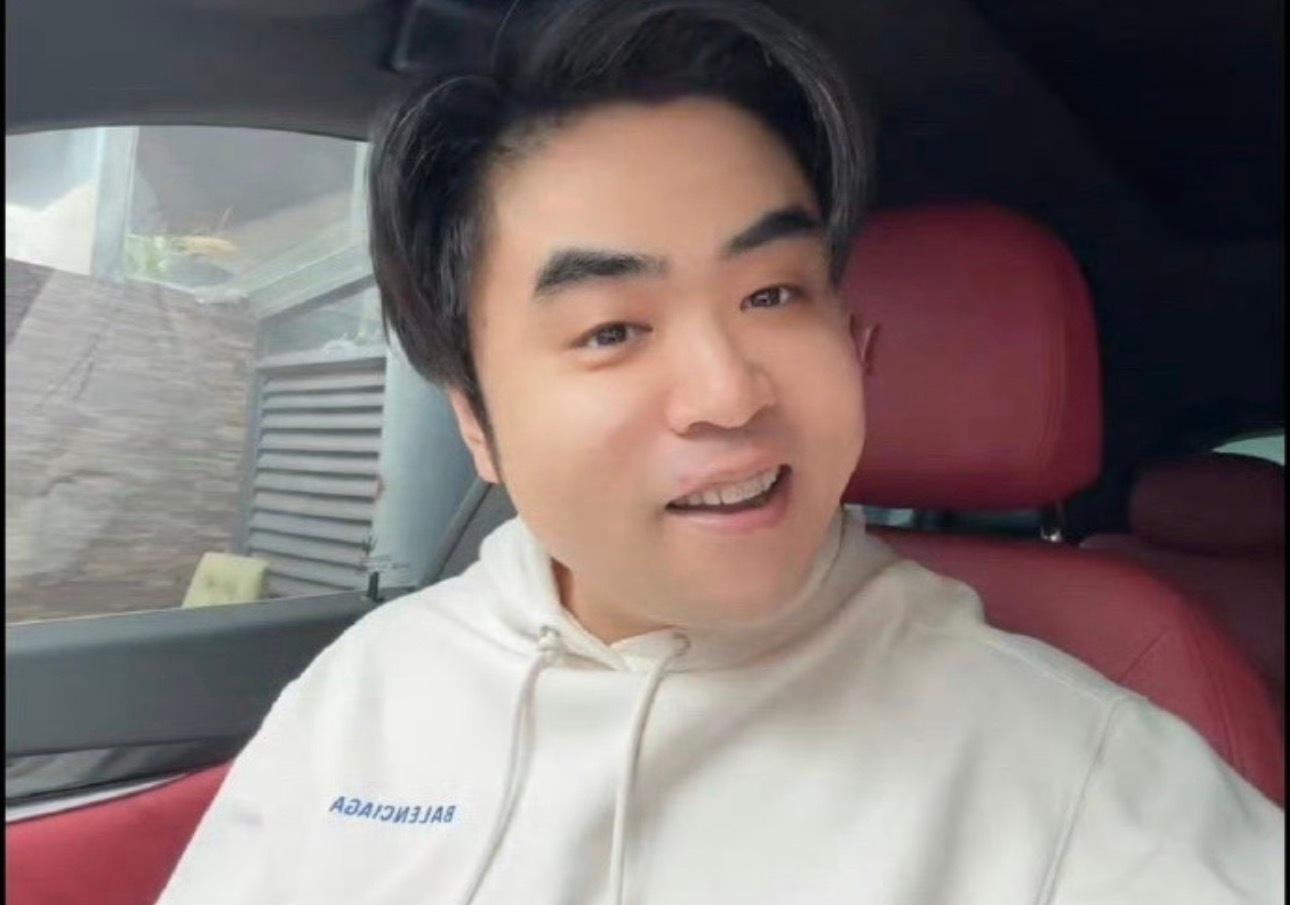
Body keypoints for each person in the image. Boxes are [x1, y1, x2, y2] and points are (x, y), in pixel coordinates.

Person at [157, 0, 1283, 902]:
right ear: (475, 423)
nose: (730, 392)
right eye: (612, 329)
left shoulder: (1068, 769)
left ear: (852, 338)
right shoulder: (368, 686)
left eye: (773, 293)